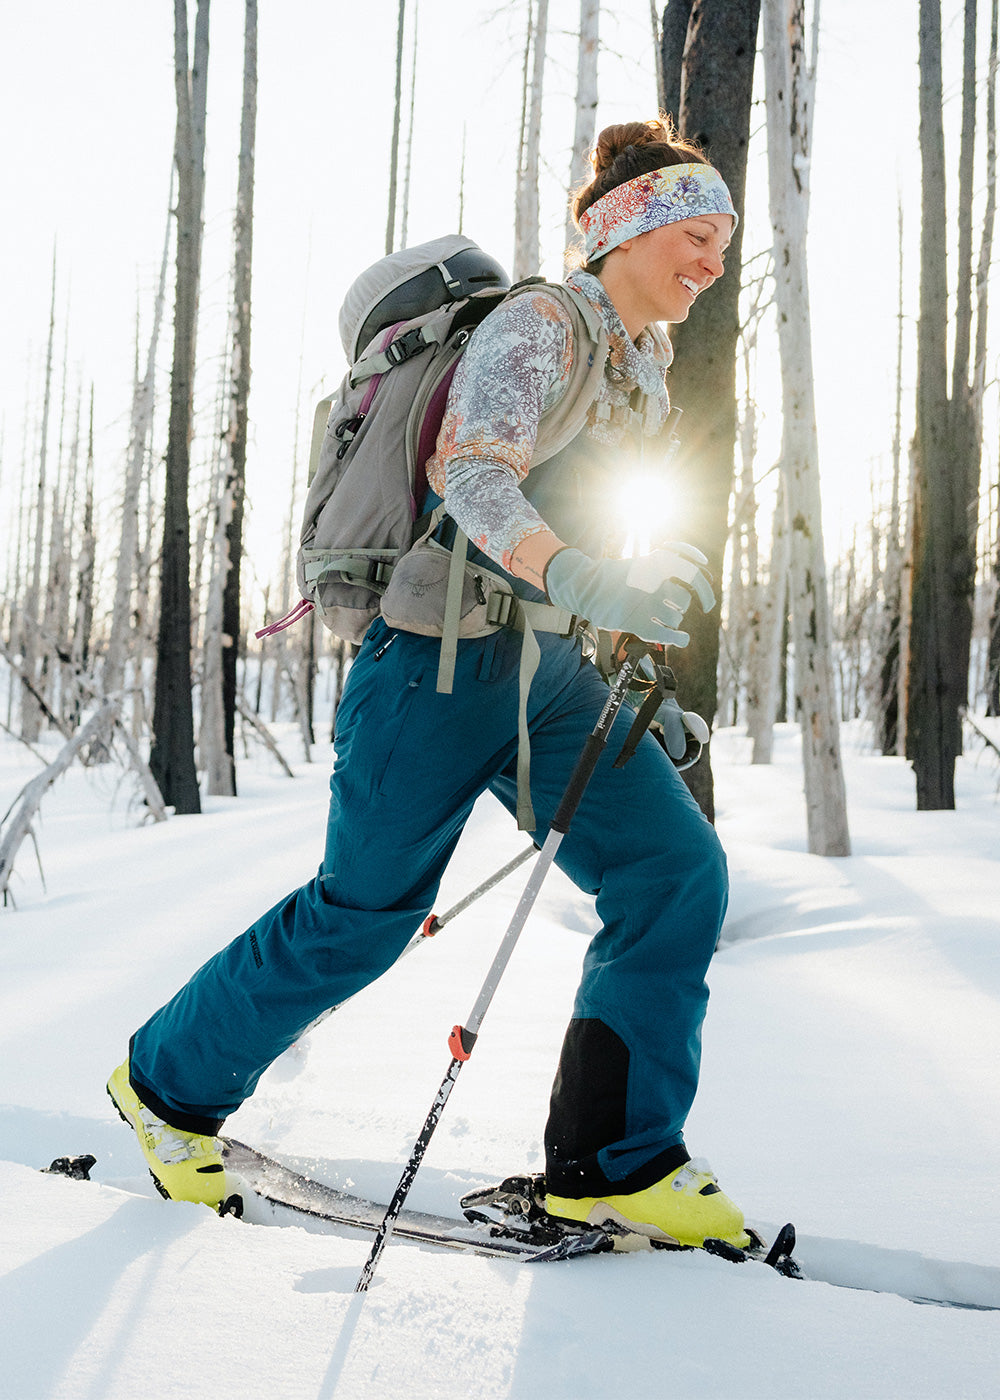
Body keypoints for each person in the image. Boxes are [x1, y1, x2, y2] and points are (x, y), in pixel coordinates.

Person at [108, 116, 748, 1250]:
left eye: (722, 241)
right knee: (365, 915)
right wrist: (595, 579)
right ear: (623, 231)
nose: (711, 260)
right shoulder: (541, 322)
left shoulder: (641, 367)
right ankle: (163, 1089)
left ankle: (614, 1160)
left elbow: (588, 532)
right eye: (694, 234)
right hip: (435, 662)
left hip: (544, 672)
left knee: (674, 867)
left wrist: (633, 662)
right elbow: (474, 473)